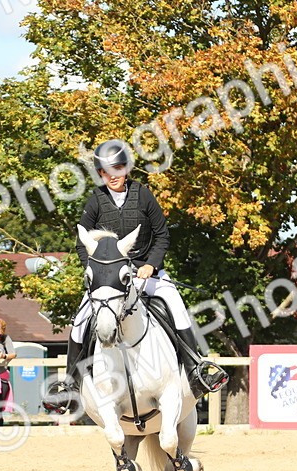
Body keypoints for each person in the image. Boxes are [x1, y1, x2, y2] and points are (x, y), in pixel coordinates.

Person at [43, 139, 227, 413]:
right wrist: (94, 271)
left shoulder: (143, 195)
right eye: (107, 171)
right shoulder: (95, 200)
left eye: (118, 168)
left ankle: (196, 369)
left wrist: (151, 265)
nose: (113, 175)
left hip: (144, 272)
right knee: (81, 318)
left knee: (175, 304)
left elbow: (162, 235)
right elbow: (83, 242)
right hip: (109, 280)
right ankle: (70, 385)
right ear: (101, 174)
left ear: (126, 169)